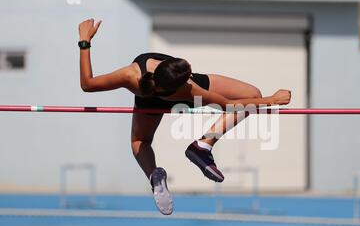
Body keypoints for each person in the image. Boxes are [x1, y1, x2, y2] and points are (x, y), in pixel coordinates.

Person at [78, 19, 291, 215]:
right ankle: (203, 145)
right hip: (174, 94)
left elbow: (87, 84)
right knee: (253, 95)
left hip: (149, 98)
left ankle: (154, 176)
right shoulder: (190, 89)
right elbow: (229, 106)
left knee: (139, 142)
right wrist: (271, 100)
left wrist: (85, 41)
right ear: (182, 80)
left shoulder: (130, 76)